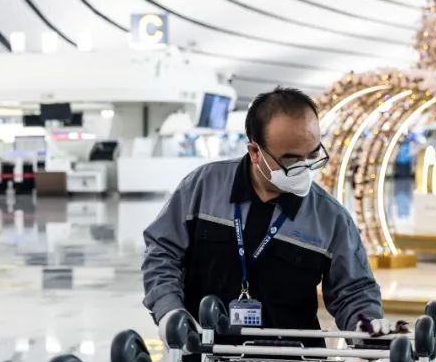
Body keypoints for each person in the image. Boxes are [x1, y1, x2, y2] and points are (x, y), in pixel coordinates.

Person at [142, 87, 393, 343]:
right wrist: (168, 310)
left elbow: (353, 291)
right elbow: (162, 253)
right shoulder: (202, 188)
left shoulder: (331, 219)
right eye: (291, 159)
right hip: (203, 357)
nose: (304, 168)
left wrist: (366, 324)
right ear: (254, 152)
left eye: (313, 155)